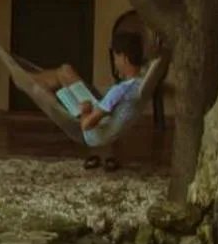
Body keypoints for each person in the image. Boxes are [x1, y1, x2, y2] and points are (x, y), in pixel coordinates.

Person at [27, 31, 147, 165]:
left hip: (93, 132)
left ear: (124, 58)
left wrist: (85, 109)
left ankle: (27, 77)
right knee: (65, 70)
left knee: (45, 85)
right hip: (102, 116)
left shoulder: (120, 91)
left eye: (115, 58)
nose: (115, 62)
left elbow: (86, 125)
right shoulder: (142, 81)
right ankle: (30, 78)